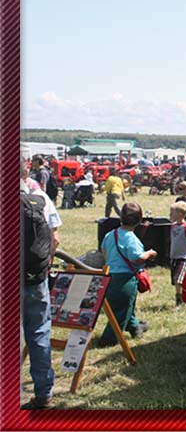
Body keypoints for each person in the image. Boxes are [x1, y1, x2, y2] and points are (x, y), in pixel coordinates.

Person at [20, 157, 61, 409]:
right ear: (27, 174)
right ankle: (44, 392)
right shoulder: (41, 199)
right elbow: (54, 239)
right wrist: (46, 265)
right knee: (39, 333)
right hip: (36, 276)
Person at [98, 202, 156, 347]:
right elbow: (136, 258)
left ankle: (136, 328)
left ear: (120, 218)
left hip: (110, 276)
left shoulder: (110, 234)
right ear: (138, 221)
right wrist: (149, 253)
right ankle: (108, 339)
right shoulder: (131, 238)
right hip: (126, 279)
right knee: (121, 311)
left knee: (124, 305)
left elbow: (103, 252)